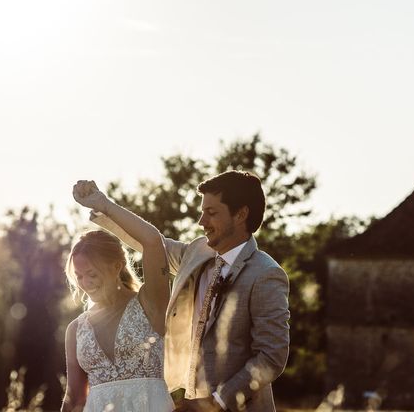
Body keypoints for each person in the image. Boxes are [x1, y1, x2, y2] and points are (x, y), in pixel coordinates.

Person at [81, 171, 290, 412]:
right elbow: (151, 244)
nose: (202, 222)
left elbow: (271, 357)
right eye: (202, 212)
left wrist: (216, 402)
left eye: (211, 213)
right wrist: (103, 206)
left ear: (241, 214)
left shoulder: (265, 274)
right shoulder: (197, 252)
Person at [61, 181, 174, 412]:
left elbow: (153, 241)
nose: (86, 283)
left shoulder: (149, 303)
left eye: (92, 273)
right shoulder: (76, 329)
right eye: (79, 277)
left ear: (116, 266)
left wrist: (104, 205)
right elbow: (74, 399)